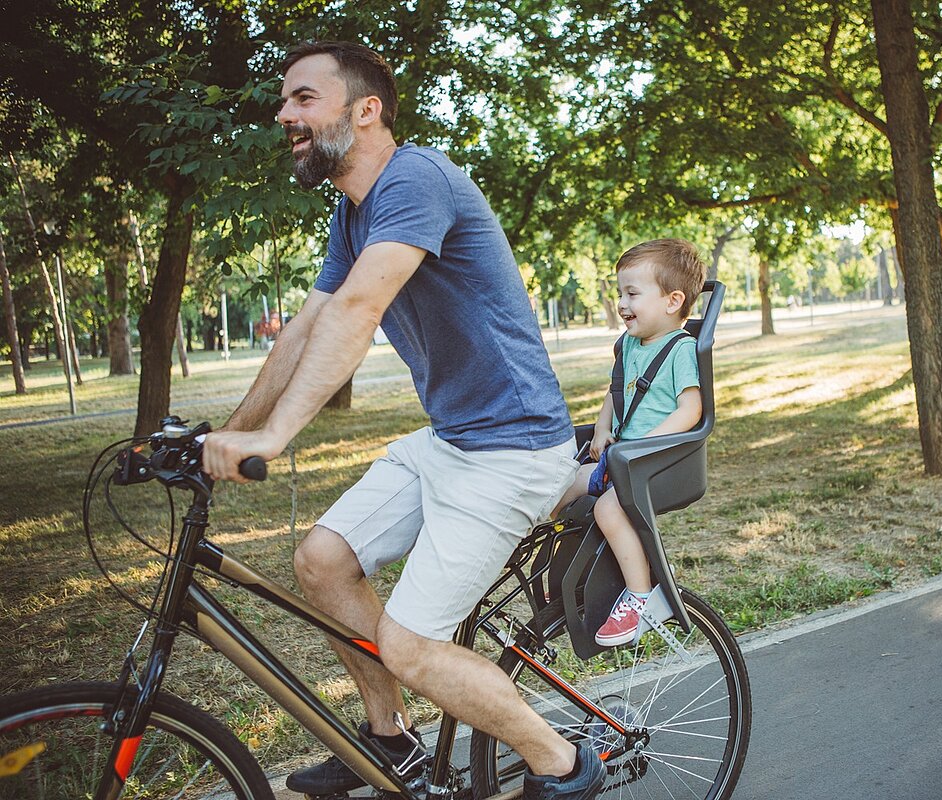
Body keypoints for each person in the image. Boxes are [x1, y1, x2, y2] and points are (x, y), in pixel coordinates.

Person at [202, 41, 604, 800]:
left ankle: (565, 764)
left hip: (513, 448)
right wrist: (224, 432)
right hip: (452, 439)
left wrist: (275, 436)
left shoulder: (413, 178)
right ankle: (390, 740)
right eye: (284, 103)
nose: (284, 114)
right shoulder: (353, 213)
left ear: (366, 110)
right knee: (322, 562)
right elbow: (306, 326)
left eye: (303, 99)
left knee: (412, 647)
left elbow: (359, 307)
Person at [554, 239, 705, 647]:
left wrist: (638, 448)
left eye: (632, 294)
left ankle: (641, 596)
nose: (622, 303)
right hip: (620, 458)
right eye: (620, 293)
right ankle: (570, 576)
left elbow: (690, 410)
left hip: (656, 463)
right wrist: (603, 430)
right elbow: (616, 392)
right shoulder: (630, 346)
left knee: (607, 506)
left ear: (673, 301)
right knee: (559, 486)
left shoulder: (680, 350)